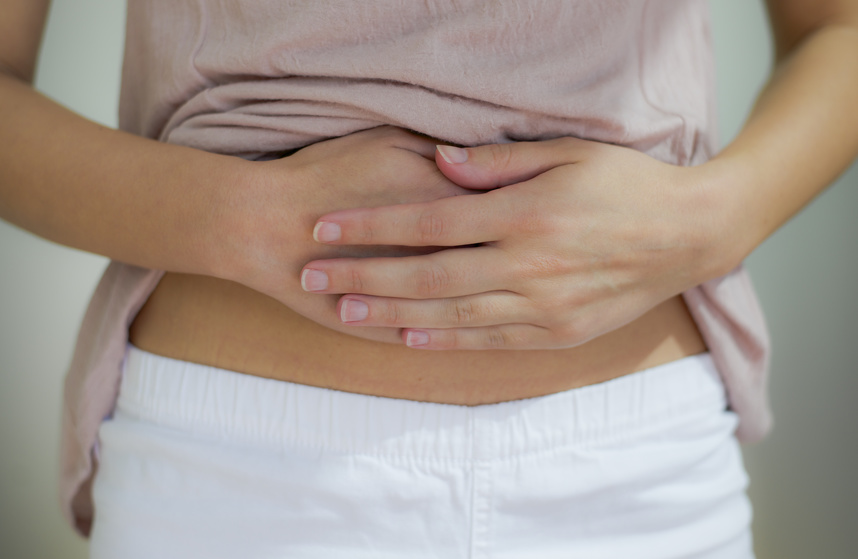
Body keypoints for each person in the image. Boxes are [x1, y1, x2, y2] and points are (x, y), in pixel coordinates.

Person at [1, 0, 856, 557]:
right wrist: (247, 216)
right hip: (236, 478)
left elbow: (838, 30)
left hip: (636, 480)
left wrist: (706, 222)